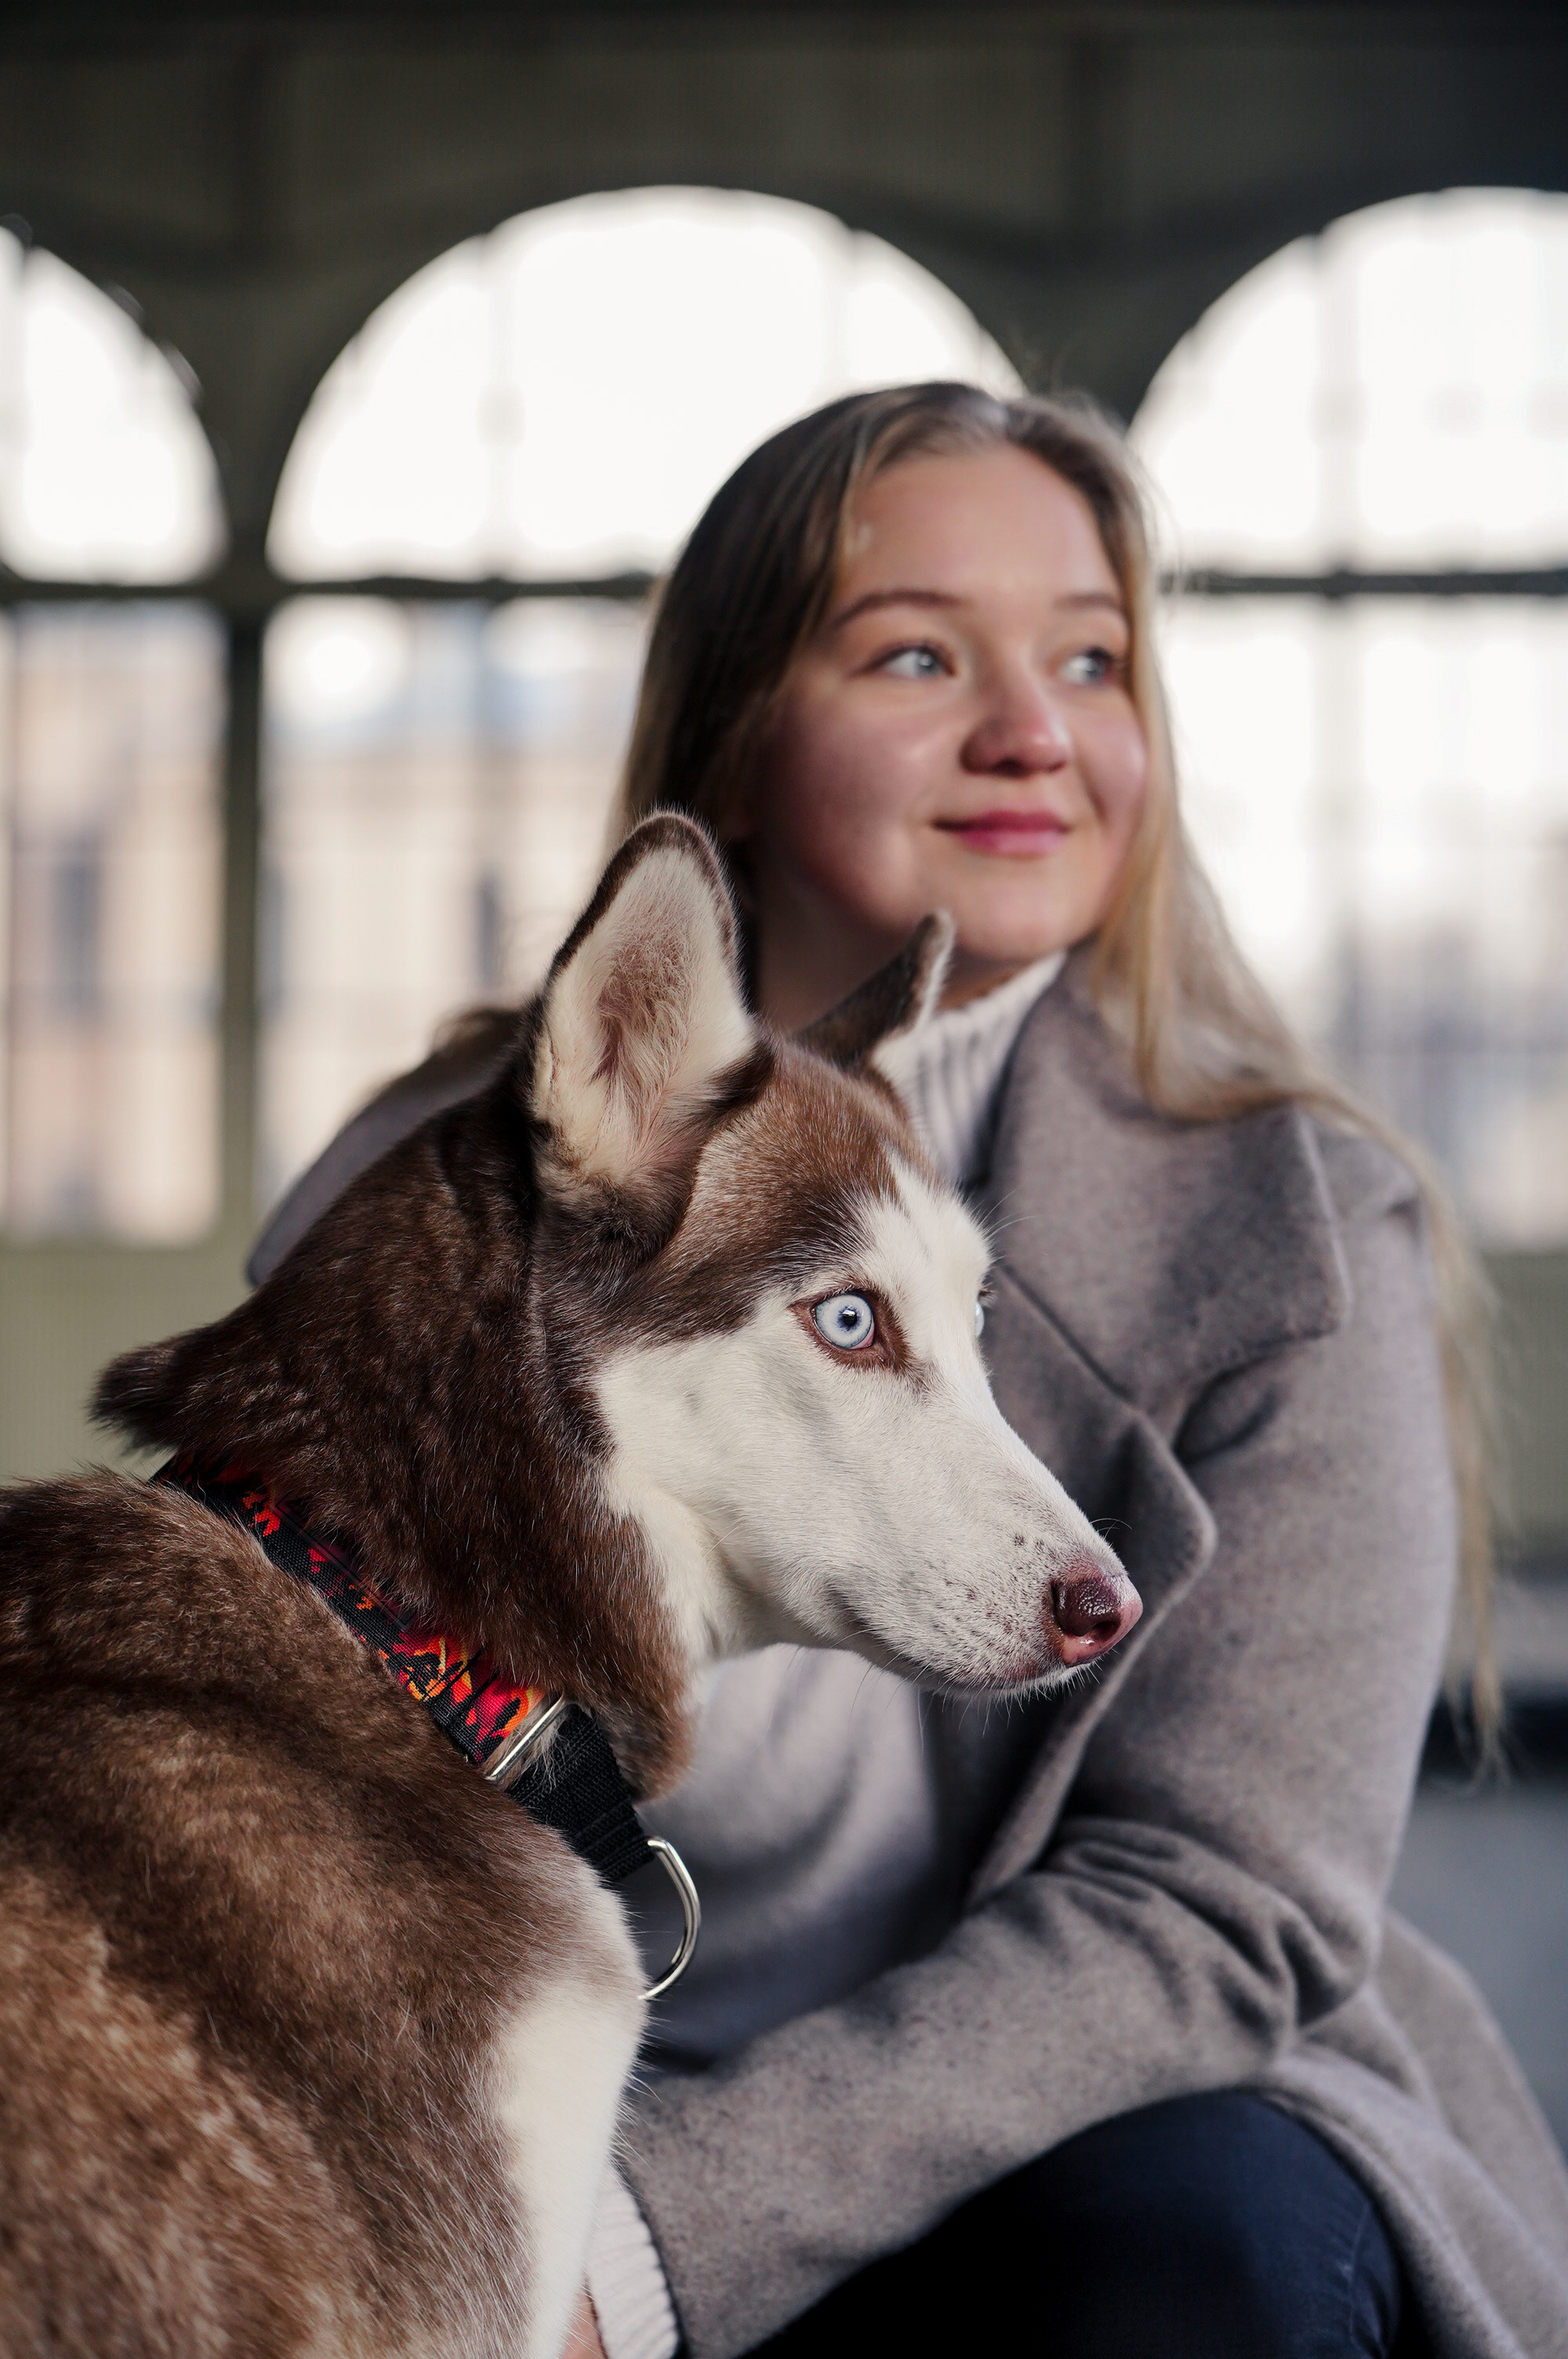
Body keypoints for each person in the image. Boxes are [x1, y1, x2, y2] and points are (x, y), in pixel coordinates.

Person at [251, 385, 1568, 2359]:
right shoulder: (425, 1194)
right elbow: (295, 1784)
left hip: (1088, 2117)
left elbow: (1218, 1908)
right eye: (920, 652)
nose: (1035, 727)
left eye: (1095, 658)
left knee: (1200, 2226)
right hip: (508, 2082)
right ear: (735, 740)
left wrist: (639, 2242)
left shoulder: (1300, 1237)